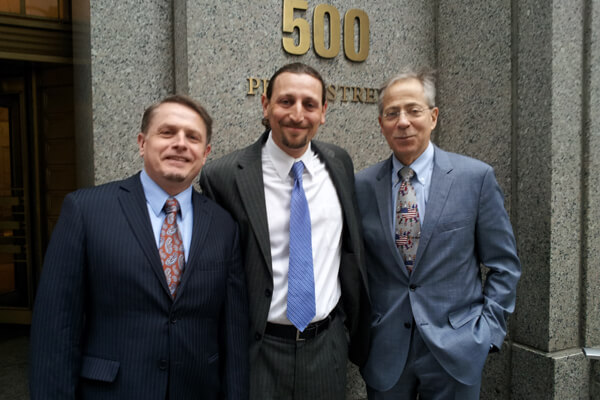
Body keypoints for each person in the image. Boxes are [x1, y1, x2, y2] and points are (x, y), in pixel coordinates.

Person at [29, 95, 248, 399]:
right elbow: (56, 328)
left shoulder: (224, 225)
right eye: (167, 132)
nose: (181, 143)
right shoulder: (85, 210)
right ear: (142, 142)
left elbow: (233, 335)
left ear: (205, 152)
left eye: (193, 137)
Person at [200, 62, 370, 400]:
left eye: (309, 104)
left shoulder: (339, 163)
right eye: (285, 101)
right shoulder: (223, 177)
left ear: (323, 112)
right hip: (258, 351)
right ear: (265, 105)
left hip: (326, 348)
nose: (297, 114)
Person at [356, 70, 521, 399]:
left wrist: (487, 331)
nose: (403, 121)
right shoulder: (361, 186)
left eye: (413, 110)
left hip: (457, 349)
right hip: (386, 350)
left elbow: (504, 264)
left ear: (433, 117)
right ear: (381, 124)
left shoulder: (475, 178)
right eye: (392, 113)